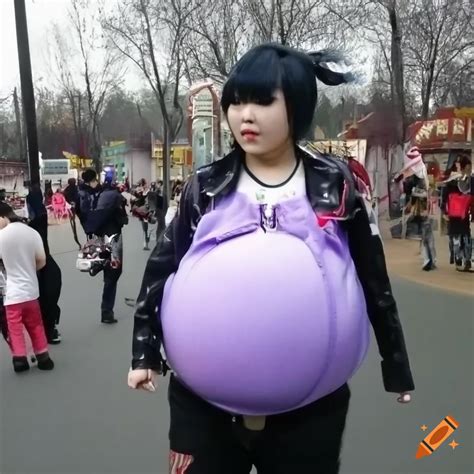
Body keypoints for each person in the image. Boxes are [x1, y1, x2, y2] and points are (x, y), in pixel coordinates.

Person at [128, 43, 414, 473]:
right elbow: (162, 267)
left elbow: (373, 276)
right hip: (202, 410)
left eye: (263, 101)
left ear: (295, 106)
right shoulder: (204, 186)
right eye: (237, 101)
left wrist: (395, 363)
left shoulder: (335, 185)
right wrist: (144, 352)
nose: (246, 115)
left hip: (309, 413)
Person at [0, 202, 54, 373]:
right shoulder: (32, 232)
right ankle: (43, 358)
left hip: (12, 295)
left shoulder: (1, 236)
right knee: (36, 326)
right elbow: (42, 260)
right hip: (31, 292)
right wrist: (28, 270)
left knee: (15, 329)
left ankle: (20, 360)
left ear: (2, 217)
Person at [76, 169, 128, 324]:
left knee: (105, 264)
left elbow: (80, 214)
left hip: (96, 236)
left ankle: (98, 265)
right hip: (112, 235)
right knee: (114, 271)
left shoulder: (81, 195)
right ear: (97, 177)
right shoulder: (111, 194)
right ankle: (107, 311)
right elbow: (122, 216)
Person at [27, 184, 62, 344]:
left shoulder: (36, 217)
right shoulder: (38, 216)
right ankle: (45, 330)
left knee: (45, 294)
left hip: (38, 261)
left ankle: (45, 329)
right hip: (37, 261)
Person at [400, 147, 437, 271]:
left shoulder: (419, 173)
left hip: (423, 208)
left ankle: (428, 260)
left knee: (425, 233)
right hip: (426, 208)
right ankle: (430, 259)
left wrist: (410, 203)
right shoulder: (421, 171)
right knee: (427, 234)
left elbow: (418, 192)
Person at [441, 156, 472, 272]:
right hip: (457, 213)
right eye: (468, 167)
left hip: (460, 213)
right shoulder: (454, 180)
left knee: (462, 236)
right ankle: (461, 260)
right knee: (460, 236)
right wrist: (444, 210)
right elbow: (445, 196)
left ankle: (465, 260)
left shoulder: (465, 179)